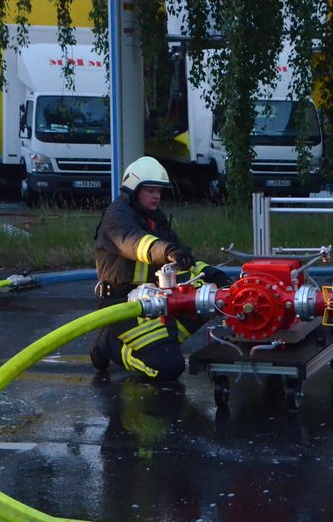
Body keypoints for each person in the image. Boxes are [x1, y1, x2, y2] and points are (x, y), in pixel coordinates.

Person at [90, 156, 231, 381]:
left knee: (210, 295)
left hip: (150, 300)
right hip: (121, 305)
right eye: (150, 190)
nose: (156, 195)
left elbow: (182, 258)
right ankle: (111, 344)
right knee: (168, 367)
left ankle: (164, 342)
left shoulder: (156, 219)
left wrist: (212, 274)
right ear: (134, 190)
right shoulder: (117, 218)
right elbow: (136, 243)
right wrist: (166, 251)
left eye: (159, 190)